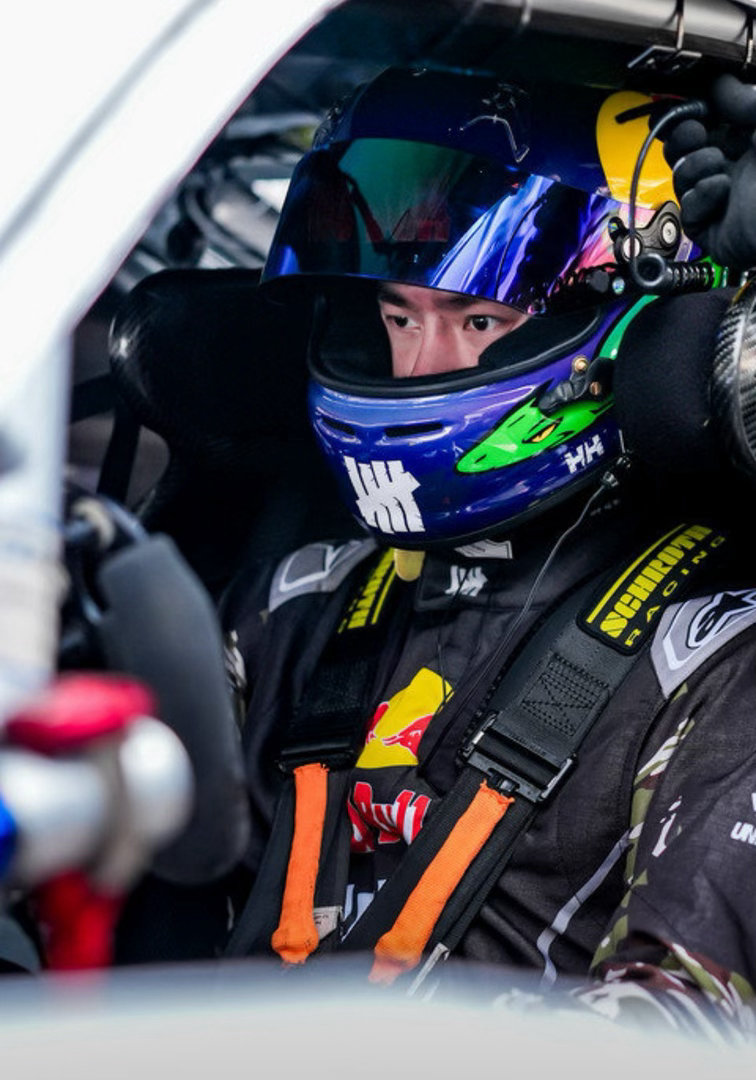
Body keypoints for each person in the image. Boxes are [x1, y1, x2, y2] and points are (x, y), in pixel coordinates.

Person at [125, 66, 756, 1038]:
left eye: (480, 321)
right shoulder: (294, 604)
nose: (421, 365)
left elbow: (682, 1036)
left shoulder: (710, 659)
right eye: (396, 317)